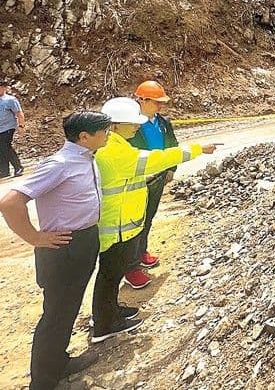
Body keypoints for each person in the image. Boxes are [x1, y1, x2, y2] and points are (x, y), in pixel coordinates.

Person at [0, 112, 112, 390]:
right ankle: (44, 382)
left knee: (68, 309)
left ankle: (59, 362)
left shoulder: (86, 157)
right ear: (84, 137)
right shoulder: (59, 164)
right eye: (104, 131)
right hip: (64, 248)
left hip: (83, 240)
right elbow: (10, 202)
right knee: (56, 315)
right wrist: (34, 237)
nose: (109, 135)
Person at [92, 97, 215, 343]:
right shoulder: (113, 150)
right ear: (115, 125)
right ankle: (106, 323)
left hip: (118, 222)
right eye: (132, 123)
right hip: (116, 225)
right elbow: (155, 159)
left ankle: (108, 311)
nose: (137, 127)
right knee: (110, 274)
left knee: (110, 273)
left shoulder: (116, 144)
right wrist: (198, 149)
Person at [123, 80, 179, 288]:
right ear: (142, 100)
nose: (160, 106)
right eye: (156, 102)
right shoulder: (129, 127)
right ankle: (130, 267)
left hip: (157, 179)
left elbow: (173, 145)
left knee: (148, 218)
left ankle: (141, 252)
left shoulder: (163, 123)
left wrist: (171, 168)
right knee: (133, 223)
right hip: (137, 181)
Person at [0, 79, 25, 178]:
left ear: (4, 88)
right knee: (1, 149)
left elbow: (19, 113)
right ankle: (4, 171)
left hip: (8, 127)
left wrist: (21, 125)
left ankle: (18, 167)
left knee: (5, 146)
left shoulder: (10, 100)